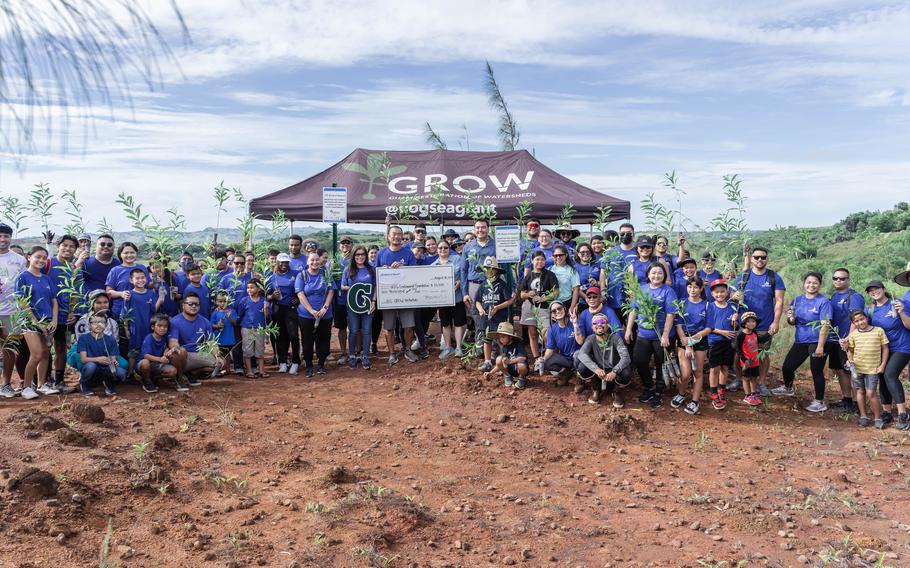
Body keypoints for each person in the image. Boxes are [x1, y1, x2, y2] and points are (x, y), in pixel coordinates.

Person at [776, 272, 833, 413]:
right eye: (808, 282)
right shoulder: (797, 300)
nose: (811, 285)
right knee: (788, 366)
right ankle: (788, 388)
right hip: (801, 340)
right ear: (804, 283)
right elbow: (792, 321)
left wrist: (820, 346)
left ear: (820, 285)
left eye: (815, 283)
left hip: (817, 341)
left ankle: (819, 401)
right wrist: (791, 318)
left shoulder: (823, 302)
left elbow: (825, 325)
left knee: (816, 371)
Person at [733, 246, 786, 396]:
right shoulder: (744, 276)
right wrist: (735, 295)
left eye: (763, 257)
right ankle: (739, 379)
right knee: (739, 353)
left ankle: (761, 383)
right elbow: (732, 293)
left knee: (762, 354)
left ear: (767, 258)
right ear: (752, 259)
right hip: (743, 324)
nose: (760, 260)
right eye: (756, 257)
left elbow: (779, 301)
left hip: (764, 324)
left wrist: (775, 322)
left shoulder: (773, 277)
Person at [624, 262, 678, 408]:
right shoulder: (642, 289)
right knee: (639, 360)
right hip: (643, 333)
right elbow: (634, 310)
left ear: (664, 275)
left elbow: (670, 314)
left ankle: (659, 392)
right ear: (648, 275)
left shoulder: (668, 291)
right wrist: (629, 329)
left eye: (660, 273)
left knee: (661, 363)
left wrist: (666, 335)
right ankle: (649, 386)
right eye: (653, 273)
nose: (656, 276)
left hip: (661, 335)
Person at [14, 245, 59, 398]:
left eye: (44, 258)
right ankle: (26, 388)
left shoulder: (46, 278)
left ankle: (42, 385)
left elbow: (54, 301)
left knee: (46, 353)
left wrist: (54, 320)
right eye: (37, 256)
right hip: (29, 321)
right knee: (36, 354)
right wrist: (35, 322)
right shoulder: (22, 277)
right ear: (29, 257)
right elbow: (22, 302)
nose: (41, 260)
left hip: (47, 321)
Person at [864, 280, 910, 429]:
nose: (874, 292)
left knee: (890, 374)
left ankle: (903, 414)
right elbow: (865, 327)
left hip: (903, 346)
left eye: (876, 288)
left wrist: (902, 312)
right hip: (884, 349)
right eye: (870, 290)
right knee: (882, 375)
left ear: (884, 289)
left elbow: (909, 325)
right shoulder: (870, 310)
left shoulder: (897, 303)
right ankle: (887, 413)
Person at [46, 234, 85, 394]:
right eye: (65, 245)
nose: (67, 248)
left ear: (75, 250)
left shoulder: (75, 269)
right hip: (46, 314)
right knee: (43, 349)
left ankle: (59, 381)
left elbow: (76, 293)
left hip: (64, 315)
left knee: (61, 347)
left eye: (71, 247)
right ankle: (40, 380)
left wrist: (74, 312)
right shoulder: (48, 264)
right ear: (58, 246)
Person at [376, 225, 419, 365]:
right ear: (388, 236)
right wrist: (385, 271)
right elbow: (375, 275)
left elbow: (414, 274)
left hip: (405, 296)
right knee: (389, 327)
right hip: (388, 297)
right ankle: (392, 353)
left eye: (399, 234)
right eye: (393, 234)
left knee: (408, 326)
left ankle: (407, 350)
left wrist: (402, 270)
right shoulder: (381, 253)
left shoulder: (408, 254)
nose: (396, 237)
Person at [828, 268, 866, 413]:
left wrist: (849, 339)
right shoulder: (833, 296)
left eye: (842, 278)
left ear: (848, 280)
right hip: (834, 340)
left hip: (847, 340)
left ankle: (857, 404)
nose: (838, 281)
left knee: (851, 371)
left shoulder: (854, 296)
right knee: (840, 370)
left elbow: (856, 319)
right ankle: (847, 400)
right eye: (836, 278)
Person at [576, 313, 632, 406]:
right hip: (598, 372)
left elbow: (626, 357)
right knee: (582, 367)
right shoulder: (590, 339)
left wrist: (615, 371)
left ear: (608, 325)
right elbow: (582, 354)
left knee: (626, 372)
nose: (599, 325)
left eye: (602, 322)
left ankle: (616, 392)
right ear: (592, 326)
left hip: (613, 373)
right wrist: (596, 369)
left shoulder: (615, 338)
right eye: (595, 323)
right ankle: (596, 389)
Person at [671, 276, 709, 414]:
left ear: (701, 289)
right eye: (690, 287)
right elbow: (678, 325)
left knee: (698, 372)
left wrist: (694, 339)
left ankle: (694, 401)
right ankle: (681, 393)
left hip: (700, 341)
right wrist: (686, 343)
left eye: (695, 287)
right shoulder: (681, 303)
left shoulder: (706, 305)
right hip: (684, 341)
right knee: (685, 373)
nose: (692, 290)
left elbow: (709, 327)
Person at [517, 251, 559, 372]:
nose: (539, 262)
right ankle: (536, 359)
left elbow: (556, 292)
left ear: (545, 261)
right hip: (529, 308)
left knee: (546, 335)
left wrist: (543, 298)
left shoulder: (550, 275)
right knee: (533, 334)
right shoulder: (528, 276)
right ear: (532, 261)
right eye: (537, 259)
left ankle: (550, 359)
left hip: (544, 307)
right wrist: (527, 294)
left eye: (542, 259)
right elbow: (521, 294)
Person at [846, 310, 888, 428]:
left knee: (871, 393)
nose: (860, 322)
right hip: (858, 369)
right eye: (856, 321)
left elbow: (885, 348)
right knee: (860, 391)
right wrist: (850, 361)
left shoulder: (878, 331)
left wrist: (882, 365)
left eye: (862, 319)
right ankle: (863, 416)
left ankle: (877, 418)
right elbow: (850, 350)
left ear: (867, 318)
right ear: (854, 323)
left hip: (872, 369)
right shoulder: (854, 334)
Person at [167, 293, 219, 388]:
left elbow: (212, 342)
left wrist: (217, 356)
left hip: (197, 354)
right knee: (178, 352)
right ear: (183, 305)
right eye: (190, 304)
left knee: (220, 362)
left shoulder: (205, 321)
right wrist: (176, 348)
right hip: (183, 355)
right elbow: (173, 341)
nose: (194, 306)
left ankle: (191, 373)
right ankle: (179, 378)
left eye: (197, 304)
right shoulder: (175, 321)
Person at [0, 222, 28, 398]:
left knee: (9, 348)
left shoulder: (19, 260)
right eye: (0, 236)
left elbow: (24, 286)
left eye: (6, 236)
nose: (3, 239)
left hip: (11, 311)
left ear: (11, 238)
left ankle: (6, 385)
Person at [296, 251, 334, 377]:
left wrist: (325, 308)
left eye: (317, 260)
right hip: (306, 315)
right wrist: (311, 310)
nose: (315, 262)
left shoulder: (326, 274)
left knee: (323, 339)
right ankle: (309, 366)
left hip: (325, 314)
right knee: (307, 340)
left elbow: (330, 291)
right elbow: (300, 294)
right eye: (312, 260)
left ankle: (321, 364)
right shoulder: (302, 275)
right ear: (307, 262)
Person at [474, 257, 514, 373]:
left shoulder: (501, 284)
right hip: (486, 318)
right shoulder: (483, 285)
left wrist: (497, 307)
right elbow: (477, 301)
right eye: (486, 269)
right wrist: (481, 309)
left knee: (501, 340)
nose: (489, 271)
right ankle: (487, 361)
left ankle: (501, 362)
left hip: (499, 318)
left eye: (491, 269)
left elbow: (509, 301)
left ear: (496, 270)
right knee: (487, 340)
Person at [121, 267, 161, 376]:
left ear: (147, 279)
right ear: (131, 280)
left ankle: (147, 373)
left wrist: (160, 300)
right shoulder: (129, 294)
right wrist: (126, 330)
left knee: (147, 349)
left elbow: (154, 310)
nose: (140, 280)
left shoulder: (150, 293)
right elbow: (125, 314)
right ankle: (130, 373)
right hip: (135, 328)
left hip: (148, 327)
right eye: (137, 278)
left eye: (142, 278)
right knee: (133, 351)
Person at [341, 246, 376, 369]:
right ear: (353, 256)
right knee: (354, 331)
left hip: (367, 305)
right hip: (352, 306)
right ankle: (352, 355)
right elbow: (342, 286)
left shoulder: (371, 269)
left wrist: (373, 301)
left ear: (366, 256)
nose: (360, 257)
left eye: (362, 254)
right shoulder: (348, 269)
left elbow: (375, 286)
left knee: (366, 331)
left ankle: (365, 355)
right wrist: (353, 289)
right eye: (357, 255)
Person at [705, 279, 738, 410]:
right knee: (714, 368)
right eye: (717, 292)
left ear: (727, 292)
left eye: (723, 291)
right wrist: (722, 332)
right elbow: (708, 326)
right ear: (712, 294)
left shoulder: (732, 307)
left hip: (728, 342)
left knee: (725, 367)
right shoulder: (710, 307)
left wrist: (735, 320)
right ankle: (713, 392)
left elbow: (734, 326)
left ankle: (721, 390)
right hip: (714, 341)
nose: (720, 294)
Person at [77, 312, 126, 396]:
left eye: (101, 322)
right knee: (91, 366)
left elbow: (113, 357)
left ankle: (109, 384)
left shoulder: (111, 340)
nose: (98, 325)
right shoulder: (83, 338)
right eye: (94, 322)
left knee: (121, 372)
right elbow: (83, 359)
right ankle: (85, 385)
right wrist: (98, 359)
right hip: (91, 367)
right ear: (89, 325)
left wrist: (113, 362)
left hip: (105, 368)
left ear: (106, 324)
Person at [461, 219, 496, 333]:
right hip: (473, 285)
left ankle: (493, 344)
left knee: (492, 311)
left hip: (491, 284)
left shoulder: (495, 245)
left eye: (483, 227)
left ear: (488, 228)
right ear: (474, 230)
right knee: (476, 313)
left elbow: (505, 267)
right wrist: (465, 293)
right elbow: (463, 270)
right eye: (478, 227)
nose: (480, 230)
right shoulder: (468, 247)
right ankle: (480, 342)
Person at [268, 253, 300, 374]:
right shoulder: (272, 277)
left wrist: (297, 298)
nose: (284, 264)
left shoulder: (295, 274)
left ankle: (296, 361)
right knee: (280, 336)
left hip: (291, 308)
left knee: (293, 336)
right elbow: (266, 294)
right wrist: (272, 296)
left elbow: (301, 288)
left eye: (286, 262)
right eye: (282, 262)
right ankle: (282, 362)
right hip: (277, 309)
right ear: (277, 262)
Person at [434, 240, 466, 360]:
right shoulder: (433, 266)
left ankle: (458, 347)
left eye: (445, 248)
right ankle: (448, 347)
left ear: (449, 249)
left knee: (458, 323)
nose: (443, 250)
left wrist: (459, 283)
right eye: (440, 248)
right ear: (437, 249)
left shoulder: (457, 259)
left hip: (457, 298)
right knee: (445, 323)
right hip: (443, 300)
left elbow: (463, 274)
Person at [540, 301, 584, 386]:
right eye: (554, 311)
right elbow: (550, 349)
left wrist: (575, 323)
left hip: (578, 357)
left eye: (559, 308)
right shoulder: (552, 329)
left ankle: (580, 378)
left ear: (564, 309)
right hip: (565, 359)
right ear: (552, 315)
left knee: (577, 355)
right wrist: (543, 359)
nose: (557, 311)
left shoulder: (576, 322)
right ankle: (566, 373)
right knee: (546, 361)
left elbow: (580, 341)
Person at [137, 314, 182, 393]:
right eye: (159, 326)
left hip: (157, 365)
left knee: (173, 371)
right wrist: (160, 359)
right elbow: (146, 355)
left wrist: (167, 351)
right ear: (153, 327)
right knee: (145, 363)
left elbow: (166, 348)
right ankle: (146, 382)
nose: (162, 328)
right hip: (146, 364)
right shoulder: (149, 338)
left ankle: (154, 378)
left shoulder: (164, 338)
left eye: (165, 326)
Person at [105, 242, 149, 317]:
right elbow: (108, 291)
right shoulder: (115, 270)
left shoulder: (142, 268)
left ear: (136, 254)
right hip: (121, 310)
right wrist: (121, 294)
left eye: (132, 252)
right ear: (120, 255)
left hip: (141, 308)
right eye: (126, 253)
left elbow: (148, 286)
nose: (129, 255)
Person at [238, 279, 270, 378]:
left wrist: (266, 308)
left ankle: (261, 370)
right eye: (248, 288)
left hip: (260, 328)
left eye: (252, 287)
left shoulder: (263, 301)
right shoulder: (244, 301)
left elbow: (267, 317)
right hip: (247, 328)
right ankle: (249, 370)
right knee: (247, 350)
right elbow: (241, 314)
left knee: (260, 350)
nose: (249, 290)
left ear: (258, 288)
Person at [333, 235, 354, 366]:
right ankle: (343, 352)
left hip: (353, 300)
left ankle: (355, 352)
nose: (345, 245)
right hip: (339, 300)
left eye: (348, 243)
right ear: (339, 245)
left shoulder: (356, 260)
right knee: (341, 328)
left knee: (355, 328)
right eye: (342, 243)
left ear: (352, 245)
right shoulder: (334, 261)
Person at [735, 312, 763, 406]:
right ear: (744, 323)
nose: (751, 323)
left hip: (755, 361)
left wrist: (770, 333)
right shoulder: (741, 335)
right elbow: (738, 349)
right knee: (746, 378)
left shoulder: (754, 332)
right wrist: (744, 360)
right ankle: (747, 395)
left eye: (753, 321)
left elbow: (760, 340)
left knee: (754, 378)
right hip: (746, 361)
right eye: (748, 322)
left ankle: (753, 394)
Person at [81, 234, 120, 298]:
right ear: (96, 246)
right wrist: (78, 262)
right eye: (102, 244)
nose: (106, 246)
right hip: (89, 304)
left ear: (114, 247)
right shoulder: (85, 261)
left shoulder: (118, 264)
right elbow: (73, 277)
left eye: (109, 245)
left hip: (113, 305)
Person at [491, 322, 528, 389]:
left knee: (521, 365)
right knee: (499, 359)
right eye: (500, 337)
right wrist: (490, 373)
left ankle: (521, 378)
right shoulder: (503, 347)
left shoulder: (518, 344)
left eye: (503, 337)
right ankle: (507, 376)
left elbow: (523, 357)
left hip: (518, 369)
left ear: (510, 336)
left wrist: (510, 361)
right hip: (510, 370)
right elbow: (499, 364)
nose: (501, 339)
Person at [210, 293, 238, 374]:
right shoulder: (215, 313)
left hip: (228, 336)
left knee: (227, 353)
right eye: (220, 301)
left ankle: (227, 369)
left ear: (228, 301)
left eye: (225, 301)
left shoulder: (232, 311)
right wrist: (218, 325)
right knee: (220, 353)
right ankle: (222, 369)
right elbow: (211, 324)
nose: (222, 303)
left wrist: (230, 316)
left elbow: (235, 323)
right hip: (219, 337)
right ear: (216, 302)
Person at [550, 245, 579, 313]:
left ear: (566, 255)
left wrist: (572, 307)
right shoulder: (550, 269)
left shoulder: (572, 271)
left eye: (561, 255)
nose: (558, 257)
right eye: (555, 255)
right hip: (552, 303)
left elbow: (576, 290)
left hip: (566, 302)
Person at [574, 243, 601, 307]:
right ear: (578, 254)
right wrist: (587, 298)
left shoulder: (597, 265)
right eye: (582, 252)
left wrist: (597, 283)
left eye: (587, 252)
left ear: (591, 253)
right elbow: (575, 288)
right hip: (583, 302)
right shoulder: (575, 268)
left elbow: (605, 282)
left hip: (598, 300)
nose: (585, 254)